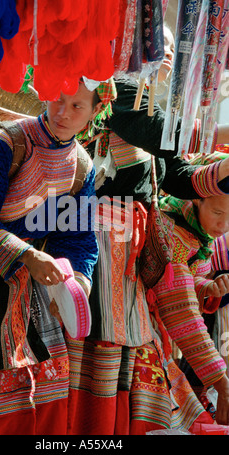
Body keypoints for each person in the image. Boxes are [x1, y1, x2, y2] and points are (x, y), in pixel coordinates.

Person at [0, 78, 117, 435]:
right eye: (58, 99)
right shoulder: (6, 142)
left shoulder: (81, 165)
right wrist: (28, 255)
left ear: (95, 112)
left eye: (78, 106)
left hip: (28, 287)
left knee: (40, 391)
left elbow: (78, 237)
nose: (63, 112)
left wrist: (78, 281)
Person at [66, 25, 229, 435]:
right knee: (93, 351)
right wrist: (218, 133)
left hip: (129, 256)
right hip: (95, 244)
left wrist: (225, 169)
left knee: (128, 356)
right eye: (159, 44)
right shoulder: (115, 96)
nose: (168, 54)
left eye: (173, 47)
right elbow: (157, 135)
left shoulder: (148, 112)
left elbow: (180, 177)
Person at [151, 193, 229, 427]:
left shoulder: (198, 233)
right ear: (197, 200)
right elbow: (180, 309)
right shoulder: (174, 232)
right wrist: (221, 383)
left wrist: (208, 287)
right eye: (218, 213)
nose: (223, 226)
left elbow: (187, 279)